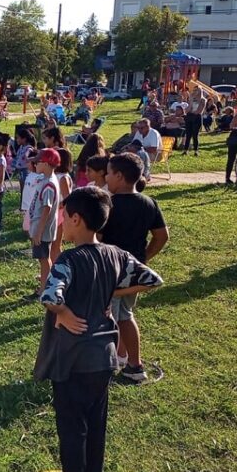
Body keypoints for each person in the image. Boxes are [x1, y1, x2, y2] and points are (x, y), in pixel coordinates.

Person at [34, 187, 163, 472]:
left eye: (65, 217)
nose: (62, 222)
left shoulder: (69, 259)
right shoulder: (116, 254)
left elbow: (50, 296)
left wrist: (63, 313)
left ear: (76, 220)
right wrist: (115, 294)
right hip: (105, 356)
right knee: (95, 426)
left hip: (73, 359)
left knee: (72, 429)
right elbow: (153, 279)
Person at [100, 153, 169, 382]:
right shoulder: (149, 202)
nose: (106, 177)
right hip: (133, 271)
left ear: (119, 176)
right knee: (123, 313)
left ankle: (134, 367)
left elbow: (98, 237)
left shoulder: (108, 204)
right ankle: (120, 357)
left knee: (120, 317)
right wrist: (143, 259)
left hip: (113, 271)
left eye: (109, 173)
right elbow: (161, 236)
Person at [27, 148, 61, 300]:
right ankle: (45, 283)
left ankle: (44, 289)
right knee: (43, 258)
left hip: (43, 229)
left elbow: (46, 210)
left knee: (43, 258)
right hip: (39, 227)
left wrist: (39, 232)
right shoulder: (45, 180)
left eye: (38, 162)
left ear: (47, 164)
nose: (35, 164)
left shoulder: (49, 185)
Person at [182, 88, 207, 156]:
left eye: (197, 91)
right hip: (189, 116)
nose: (195, 92)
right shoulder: (192, 99)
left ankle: (196, 151)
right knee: (188, 134)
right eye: (194, 90)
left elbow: (199, 111)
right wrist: (191, 99)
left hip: (197, 117)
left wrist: (192, 111)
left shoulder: (203, 100)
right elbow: (188, 109)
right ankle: (185, 150)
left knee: (195, 135)